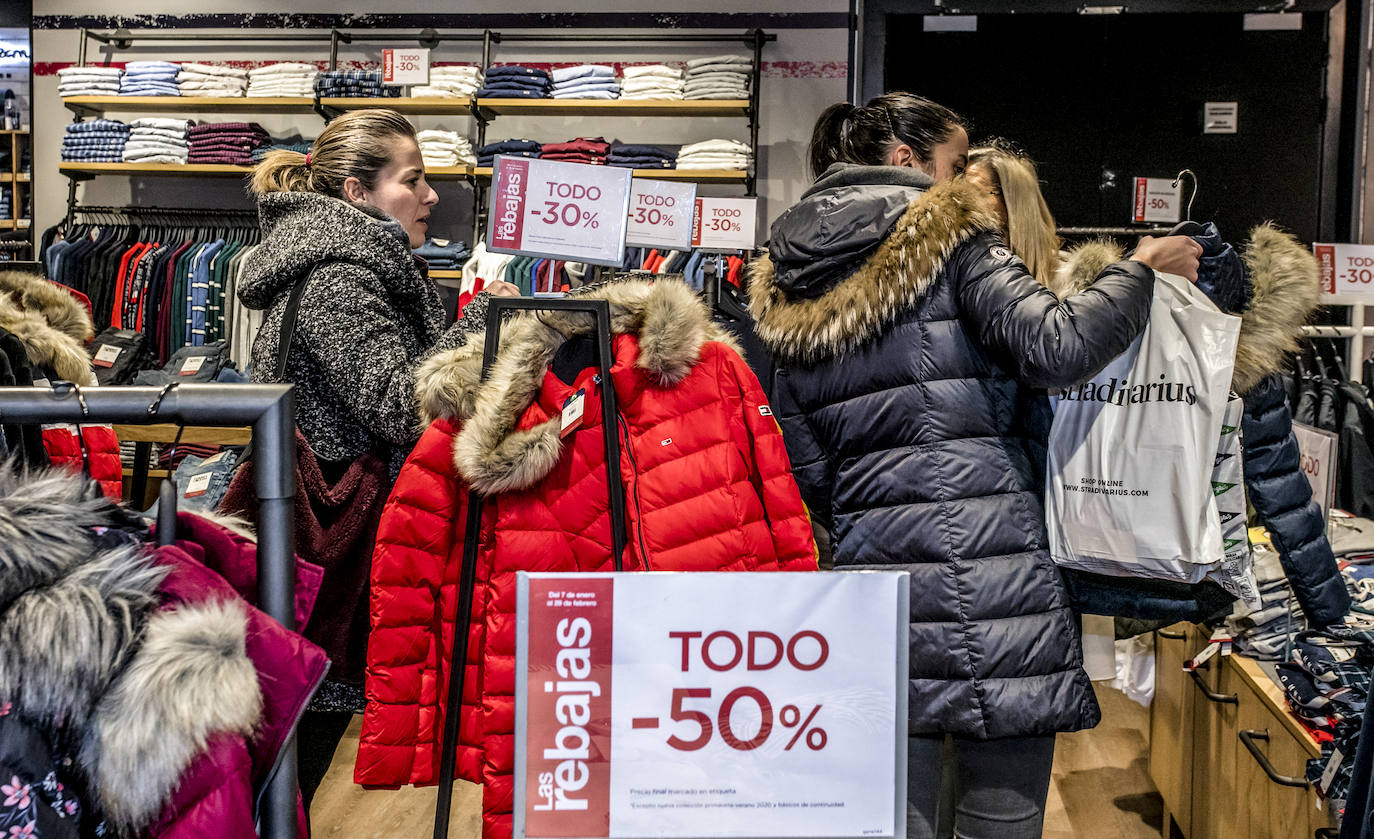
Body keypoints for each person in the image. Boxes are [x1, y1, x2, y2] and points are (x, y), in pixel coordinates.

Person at [749, 92, 1202, 839]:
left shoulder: (790, 276)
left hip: (872, 597)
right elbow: (1057, 346)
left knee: (896, 821)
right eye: (955, 166)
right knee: (1001, 818)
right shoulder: (957, 237)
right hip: (997, 588)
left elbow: (806, 466)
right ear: (906, 162)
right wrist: (1139, 268)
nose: (962, 183)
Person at [236, 108, 517, 805]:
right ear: (358, 193)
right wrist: (482, 323)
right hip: (332, 552)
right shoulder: (339, 279)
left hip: (326, 549)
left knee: (294, 748)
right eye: (414, 181)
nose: (430, 197)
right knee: (293, 751)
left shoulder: (366, 268)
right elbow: (398, 403)